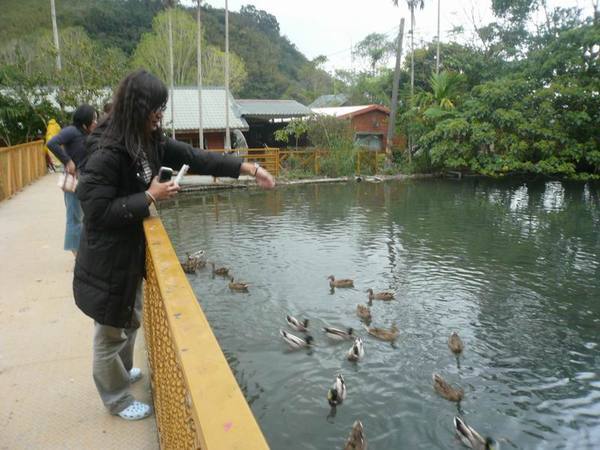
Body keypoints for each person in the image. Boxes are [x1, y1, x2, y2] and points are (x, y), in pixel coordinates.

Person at [73, 69, 275, 421]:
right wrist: (149, 195)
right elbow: (95, 210)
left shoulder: (147, 138)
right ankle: (116, 399)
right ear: (138, 107)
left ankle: (124, 372)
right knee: (108, 331)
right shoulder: (107, 149)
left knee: (130, 318)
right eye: (155, 107)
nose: (160, 114)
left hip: (130, 251)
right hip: (107, 258)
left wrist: (250, 168)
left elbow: (198, 157)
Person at [47, 105, 98, 256]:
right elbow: (51, 143)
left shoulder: (87, 134)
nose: (95, 122)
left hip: (86, 180)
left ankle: (81, 250)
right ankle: (77, 253)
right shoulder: (72, 131)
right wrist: (67, 161)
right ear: (84, 121)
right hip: (74, 179)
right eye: (93, 119)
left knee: (83, 216)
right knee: (74, 216)